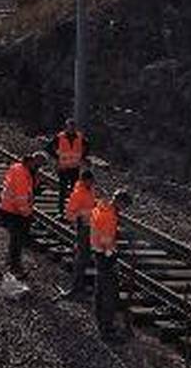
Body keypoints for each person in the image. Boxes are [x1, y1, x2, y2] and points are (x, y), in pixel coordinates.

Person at [89, 188, 132, 341]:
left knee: (100, 290)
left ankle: (101, 322)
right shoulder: (109, 216)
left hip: (98, 253)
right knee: (109, 293)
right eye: (125, 205)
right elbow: (106, 240)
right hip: (104, 257)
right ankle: (106, 330)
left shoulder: (103, 208)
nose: (124, 209)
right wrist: (112, 259)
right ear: (119, 202)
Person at [0, 152, 44, 275]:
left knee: (15, 239)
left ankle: (11, 262)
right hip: (15, 211)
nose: (38, 167)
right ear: (31, 162)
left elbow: (29, 191)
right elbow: (20, 198)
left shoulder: (20, 169)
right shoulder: (22, 175)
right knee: (17, 240)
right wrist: (27, 214)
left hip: (9, 208)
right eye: (37, 165)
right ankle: (15, 267)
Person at [57, 168, 96, 300]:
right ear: (84, 180)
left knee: (85, 258)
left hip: (90, 227)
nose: (92, 183)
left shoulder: (90, 191)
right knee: (81, 258)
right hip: (83, 228)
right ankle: (76, 287)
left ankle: (79, 285)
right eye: (90, 181)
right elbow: (69, 214)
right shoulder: (78, 194)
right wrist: (82, 216)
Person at [46, 117, 90, 217]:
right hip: (63, 167)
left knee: (74, 190)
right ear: (67, 127)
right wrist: (57, 157)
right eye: (70, 126)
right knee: (63, 189)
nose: (72, 128)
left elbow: (88, 147)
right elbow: (48, 147)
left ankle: (72, 209)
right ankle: (61, 210)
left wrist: (82, 157)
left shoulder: (80, 137)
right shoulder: (60, 137)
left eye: (73, 126)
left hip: (75, 167)